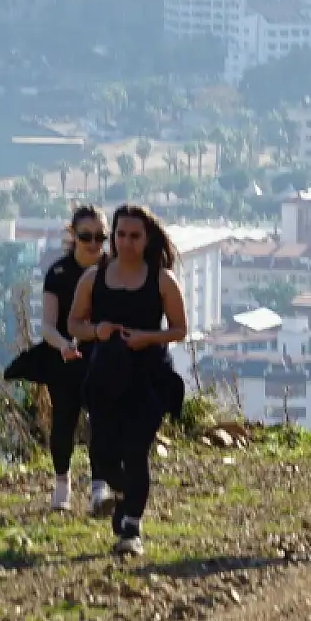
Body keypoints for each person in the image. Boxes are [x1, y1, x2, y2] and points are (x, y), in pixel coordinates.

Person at [66, 204, 188, 556]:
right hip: (106, 377)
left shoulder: (162, 280)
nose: (127, 242)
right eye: (121, 234)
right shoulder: (94, 278)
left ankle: (132, 528)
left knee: (136, 452)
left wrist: (147, 338)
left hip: (148, 378)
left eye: (135, 235)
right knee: (103, 454)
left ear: (147, 238)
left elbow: (180, 329)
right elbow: (74, 324)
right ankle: (124, 494)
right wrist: (96, 330)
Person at [40, 207, 113, 513]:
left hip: (103, 357)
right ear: (73, 235)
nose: (94, 243)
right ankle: (62, 483)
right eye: (87, 236)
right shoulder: (58, 273)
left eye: (101, 237)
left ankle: (99, 488)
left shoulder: (114, 270)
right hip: (65, 357)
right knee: (64, 423)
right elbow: (46, 325)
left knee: (102, 423)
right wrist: (63, 345)